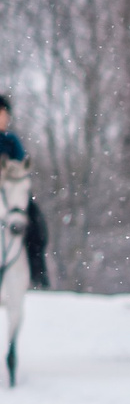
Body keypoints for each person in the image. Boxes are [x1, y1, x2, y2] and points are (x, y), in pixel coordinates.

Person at [0, 96, 47, 288]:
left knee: (36, 221)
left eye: (5, 115)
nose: (3, 119)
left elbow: (21, 165)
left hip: (11, 191)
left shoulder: (11, 141)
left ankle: (37, 270)